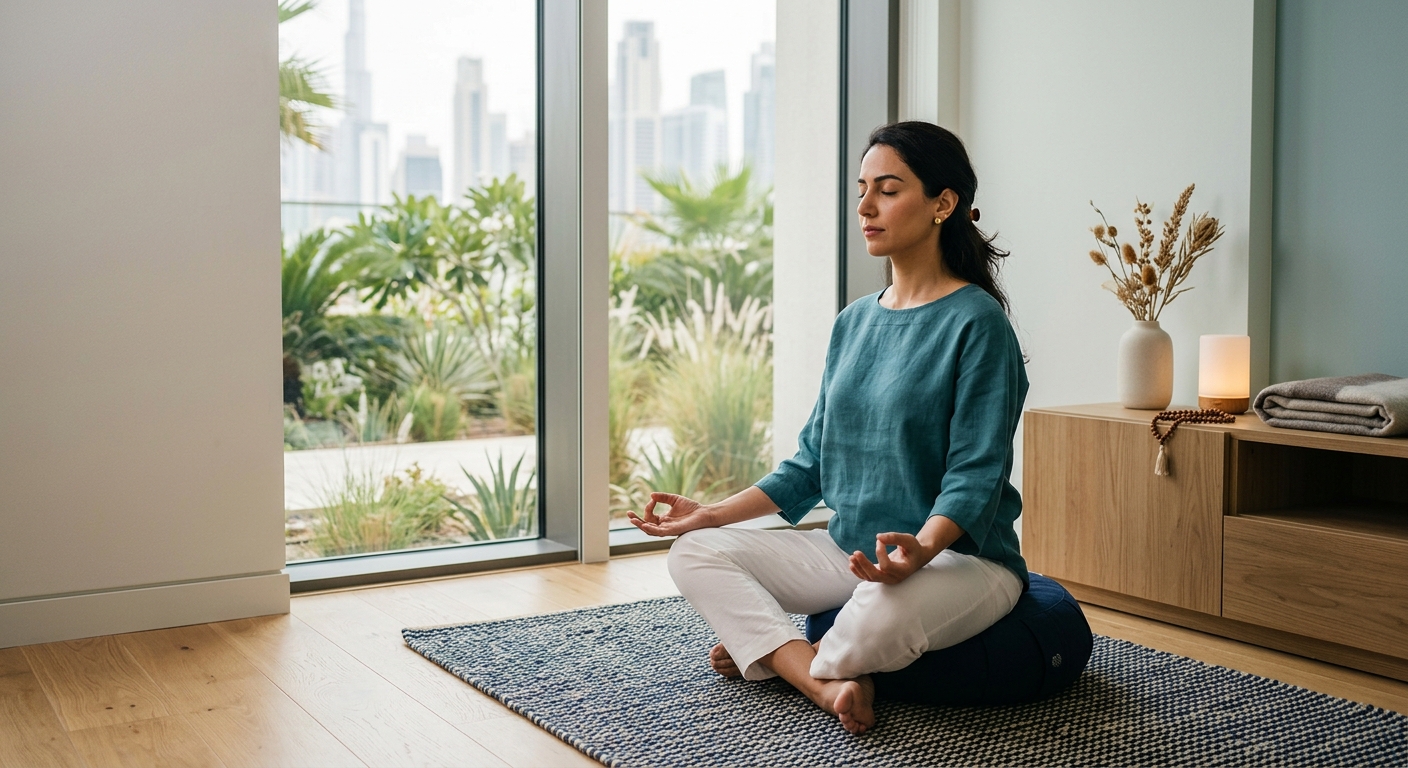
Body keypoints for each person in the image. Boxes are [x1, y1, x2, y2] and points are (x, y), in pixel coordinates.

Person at [627, 121, 1029, 734]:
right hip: (848, 551)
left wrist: (920, 549)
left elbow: (975, 475)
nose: (865, 207)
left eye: (888, 190)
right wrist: (709, 514)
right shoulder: (853, 323)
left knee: (878, 613)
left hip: (960, 561)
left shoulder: (978, 324)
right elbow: (811, 463)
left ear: (943, 204)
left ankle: (777, 656)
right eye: (862, 188)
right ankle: (822, 676)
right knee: (695, 553)